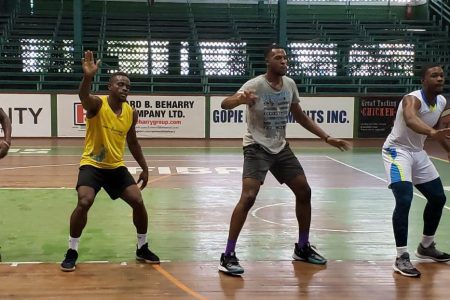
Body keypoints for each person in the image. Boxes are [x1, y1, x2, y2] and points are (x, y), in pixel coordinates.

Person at [218, 44, 351, 275]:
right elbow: (225, 103)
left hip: (280, 147)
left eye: (285, 57)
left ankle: (302, 247)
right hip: (256, 146)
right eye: (278, 57)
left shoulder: (289, 84)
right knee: (248, 197)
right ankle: (227, 254)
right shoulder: (255, 85)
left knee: (304, 191)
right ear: (268, 62)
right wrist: (240, 99)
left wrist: (327, 137)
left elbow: (300, 116)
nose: (283, 61)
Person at [60, 50, 159, 272]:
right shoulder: (97, 104)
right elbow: (83, 97)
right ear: (110, 87)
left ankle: (142, 247)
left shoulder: (131, 112)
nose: (125, 88)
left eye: (128, 86)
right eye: (120, 84)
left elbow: (133, 142)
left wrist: (144, 168)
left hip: (115, 166)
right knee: (84, 201)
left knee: (138, 201)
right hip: (92, 164)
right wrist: (87, 77)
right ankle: (72, 250)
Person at [382, 63, 450, 278]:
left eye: (441, 75)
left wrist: (449, 150)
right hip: (397, 151)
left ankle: (426, 246)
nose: (439, 79)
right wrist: (431, 133)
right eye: (434, 76)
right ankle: (401, 256)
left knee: (438, 198)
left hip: (418, 153)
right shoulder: (411, 99)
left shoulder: (441, 101)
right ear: (423, 80)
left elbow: (439, 132)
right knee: (404, 199)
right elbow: (411, 120)